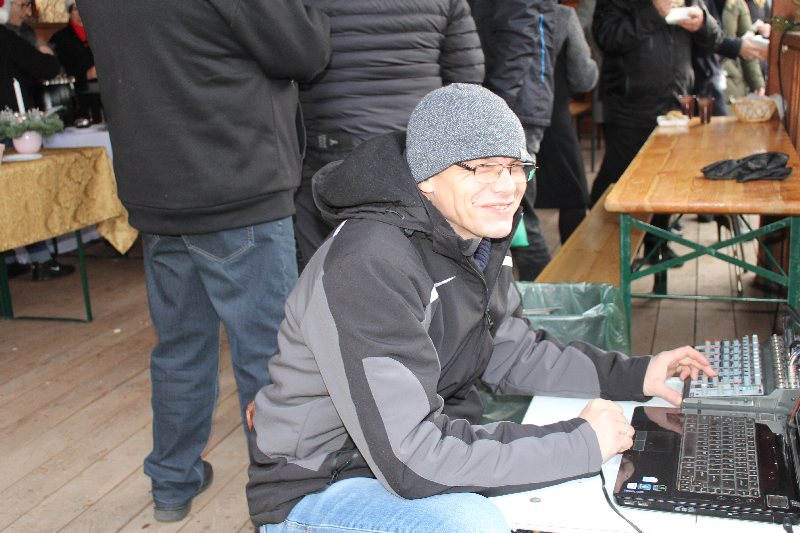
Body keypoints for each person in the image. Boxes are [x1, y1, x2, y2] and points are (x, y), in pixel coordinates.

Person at [246, 83, 715, 532]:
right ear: (426, 178)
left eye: (515, 166)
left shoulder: (474, 233)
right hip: (322, 485)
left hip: (405, 453)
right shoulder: (368, 263)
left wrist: (637, 375)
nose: (508, 186)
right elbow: (412, 458)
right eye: (483, 167)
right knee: (475, 524)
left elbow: (511, 352)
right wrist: (579, 444)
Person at [77, 0, 331, 522]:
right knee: (269, 352)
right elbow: (303, 50)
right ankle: (283, 493)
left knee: (180, 347)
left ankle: (172, 479)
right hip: (234, 176)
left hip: (157, 186)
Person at [293, 0, 485, 268]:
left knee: (328, 258)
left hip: (334, 142)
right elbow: (466, 75)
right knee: (426, 253)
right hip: (418, 145)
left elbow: (292, 57)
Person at [590, 0, 722, 263]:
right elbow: (607, 38)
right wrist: (655, 13)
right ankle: (604, 247)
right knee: (620, 176)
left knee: (665, 179)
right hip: (628, 106)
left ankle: (657, 244)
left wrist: (703, 24)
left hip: (675, 105)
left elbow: (713, 42)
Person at [468, 0, 556, 280]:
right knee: (511, 213)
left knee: (516, 215)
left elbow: (517, 40)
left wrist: (495, 106)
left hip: (514, 104)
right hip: (518, 101)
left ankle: (542, 297)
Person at [0, 25, 76, 281]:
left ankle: (8, 259)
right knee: (25, 195)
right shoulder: (5, 36)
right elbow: (45, 68)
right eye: (21, 6)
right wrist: (45, 53)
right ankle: (42, 259)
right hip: (12, 126)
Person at [534, 1, 598, 244]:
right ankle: (573, 260)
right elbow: (584, 78)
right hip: (552, 117)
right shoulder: (562, 16)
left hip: (502, 115)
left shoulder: (488, 9)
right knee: (573, 194)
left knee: (511, 194)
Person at [49, 2, 101, 121]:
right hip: (76, 94)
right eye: (76, 9)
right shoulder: (60, 38)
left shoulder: (99, 34)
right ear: (70, 12)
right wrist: (85, 75)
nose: (80, 13)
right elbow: (59, 70)